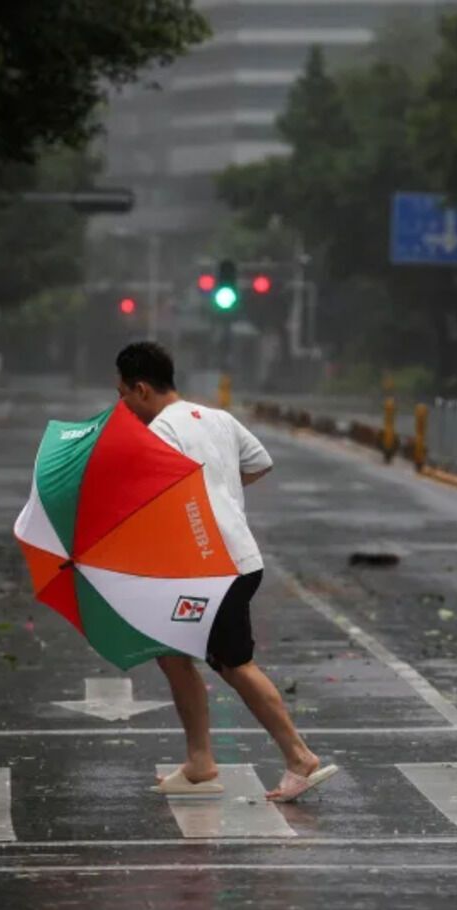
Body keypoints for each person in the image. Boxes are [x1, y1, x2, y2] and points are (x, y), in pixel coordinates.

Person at [114, 341, 336, 802]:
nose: (122, 405)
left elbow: (153, 500)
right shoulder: (216, 418)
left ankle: (299, 756)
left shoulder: (157, 432)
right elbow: (259, 463)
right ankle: (199, 761)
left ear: (140, 389)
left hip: (210, 566)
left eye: (123, 394)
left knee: (234, 664)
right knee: (172, 651)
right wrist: (221, 491)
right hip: (232, 558)